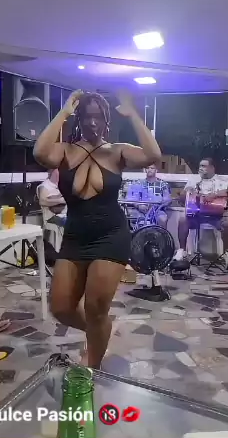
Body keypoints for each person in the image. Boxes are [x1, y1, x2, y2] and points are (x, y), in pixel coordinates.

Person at [33, 89, 162, 369]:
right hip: (75, 237)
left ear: (107, 120)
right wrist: (64, 112)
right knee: (61, 308)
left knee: (95, 308)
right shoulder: (65, 151)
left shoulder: (117, 151)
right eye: (87, 116)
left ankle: (92, 367)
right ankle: (100, 330)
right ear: (79, 119)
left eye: (99, 117)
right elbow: (40, 152)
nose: (93, 122)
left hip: (110, 235)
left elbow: (153, 154)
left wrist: (133, 114)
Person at [174, 157, 228, 260]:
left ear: (212, 168)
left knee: (227, 224)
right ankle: (182, 250)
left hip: (216, 216)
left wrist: (214, 195)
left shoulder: (222, 180)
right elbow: (183, 198)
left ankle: (227, 253)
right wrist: (186, 193)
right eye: (200, 166)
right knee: (183, 219)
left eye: (203, 166)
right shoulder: (194, 180)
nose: (200, 168)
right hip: (197, 215)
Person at [123, 163, 171, 228]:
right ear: (145, 170)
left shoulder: (162, 184)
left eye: (152, 168)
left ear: (156, 170)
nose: (149, 170)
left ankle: (160, 234)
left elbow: (167, 198)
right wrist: (138, 205)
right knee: (135, 219)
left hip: (157, 210)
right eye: (147, 168)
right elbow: (130, 198)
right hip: (139, 211)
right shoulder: (138, 183)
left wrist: (159, 203)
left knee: (163, 219)